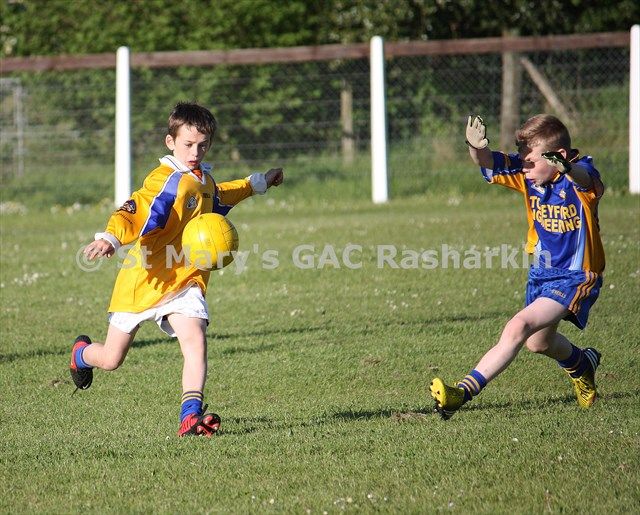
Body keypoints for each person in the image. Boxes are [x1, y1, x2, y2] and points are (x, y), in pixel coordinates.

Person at [70, 102, 284, 436]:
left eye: (203, 145)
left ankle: (190, 416)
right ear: (170, 142)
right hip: (145, 280)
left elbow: (221, 196)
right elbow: (137, 209)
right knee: (111, 359)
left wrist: (259, 182)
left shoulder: (203, 180)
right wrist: (111, 238)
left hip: (186, 280)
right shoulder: (165, 181)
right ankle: (82, 354)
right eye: (188, 144)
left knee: (195, 339)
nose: (195, 152)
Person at [430, 114, 605, 419]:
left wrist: (567, 168)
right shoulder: (528, 172)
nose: (524, 168)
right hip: (542, 273)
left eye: (531, 161)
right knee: (538, 343)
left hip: (576, 276)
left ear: (558, 156)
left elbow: (586, 180)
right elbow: (489, 162)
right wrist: (475, 147)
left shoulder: (578, 176)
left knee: (518, 326)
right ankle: (581, 364)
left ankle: (462, 392)